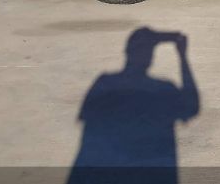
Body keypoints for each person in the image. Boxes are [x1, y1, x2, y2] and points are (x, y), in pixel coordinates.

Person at [68, 28, 199, 180]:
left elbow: (89, 136)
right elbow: (192, 107)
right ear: (151, 57)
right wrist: (182, 56)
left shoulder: (105, 83)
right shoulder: (163, 89)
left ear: (127, 52)